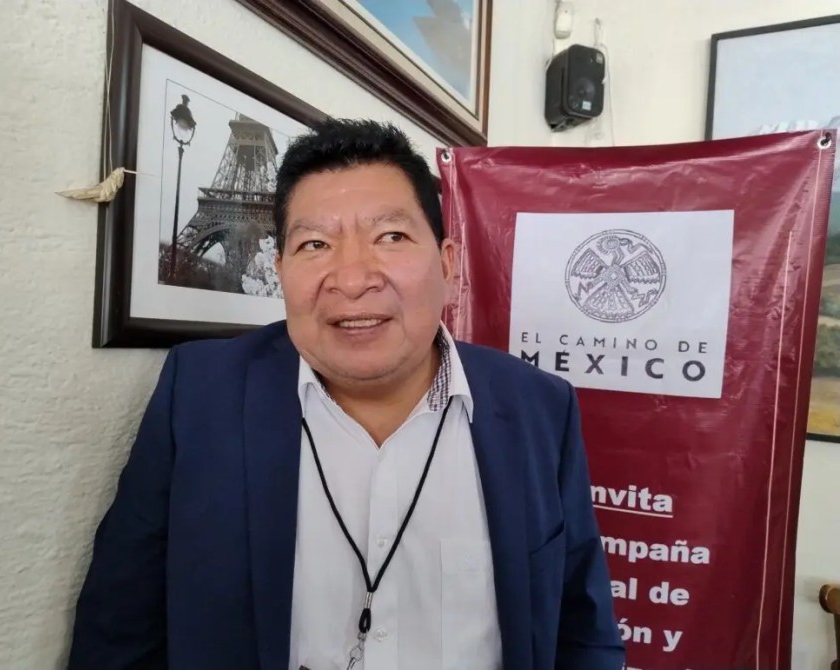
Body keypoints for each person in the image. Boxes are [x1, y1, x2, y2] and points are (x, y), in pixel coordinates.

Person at [68, 118, 624, 670]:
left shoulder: (539, 407)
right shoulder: (198, 394)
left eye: (391, 236)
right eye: (315, 243)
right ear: (280, 269)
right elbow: (118, 630)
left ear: (449, 266)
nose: (352, 278)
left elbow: (582, 628)